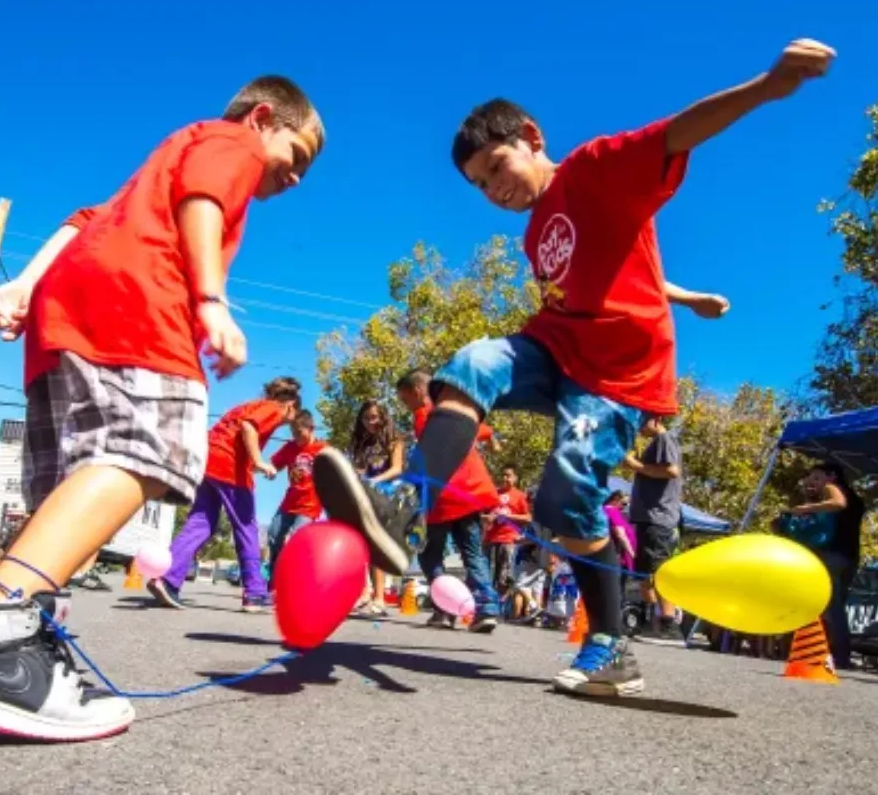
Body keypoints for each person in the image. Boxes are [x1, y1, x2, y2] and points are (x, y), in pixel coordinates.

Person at [312, 39, 835, 697]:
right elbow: (616, 266)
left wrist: (766, 85)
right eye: (480, 186)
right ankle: (403, 504)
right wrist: (688, 294)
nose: (494, 190)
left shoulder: (595, 169)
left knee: (564, 501)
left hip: (616, 377)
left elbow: (675, 134)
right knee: (471, 360)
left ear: (532, 137)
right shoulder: (535, 233)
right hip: (555, 351)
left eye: (497, 168)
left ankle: (612, 643)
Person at [0, 75, 324, 741]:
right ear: (266, 118)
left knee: (73, 484)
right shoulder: (233, 140)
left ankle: (14, 642)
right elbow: (205, 197)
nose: (296, 178)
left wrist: (25, 286)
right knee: (149, 455)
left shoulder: (156, 170)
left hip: (66, 317)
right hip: (138, 312)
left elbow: (81, 221)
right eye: (298, 156)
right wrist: (209, 297)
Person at [150, 377, 302, 611]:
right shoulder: (274, 408)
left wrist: (252, 461)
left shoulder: (250, 404)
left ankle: (166, 578)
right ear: (290, 404)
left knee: (201, 522)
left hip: (209, 461)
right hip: (230, 469)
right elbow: (249, 427)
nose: (288, 423)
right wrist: (258, 460)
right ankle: (254, 593)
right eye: (293, 416)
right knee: (246, 528)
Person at [396, 369, 501, 632]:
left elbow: (427, 455)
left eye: (405, 400)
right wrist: (494, 441)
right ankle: (486, 607)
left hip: (442, 497)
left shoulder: (423, 416)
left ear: (418, 392)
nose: (407, 407)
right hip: (470, 494)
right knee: (473, 553)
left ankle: (444, 609)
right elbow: (482, 429)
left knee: (429, 555)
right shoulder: (458, 411)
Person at [776, 462, 864, 670]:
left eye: (817, 477)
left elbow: (838, 503)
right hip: (848, 557)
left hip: (832, 555)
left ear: (831, 476)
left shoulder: (833, 489)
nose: (812, 482)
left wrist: (805, 509)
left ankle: (840, 657)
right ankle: (831, 653)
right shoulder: (857, 499)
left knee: (830, 609)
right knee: (835, 608)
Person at [626, 418, 683, 642]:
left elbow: (672, 470)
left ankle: (669, 625)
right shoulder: (653, 443)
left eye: (642, 420)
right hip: (645, 517)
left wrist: (636, 465)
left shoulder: (664, 439)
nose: (638, 425)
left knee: (659, 571)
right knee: (644, 573)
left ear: (656, 419)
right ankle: (651, 621)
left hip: (658, 517)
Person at [348, 400, 406, 616]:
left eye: (374, 417)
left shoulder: (395, 440)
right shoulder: (362, 444)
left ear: (383, 417)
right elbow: (361, 469)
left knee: (376, 546)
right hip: (366, 498)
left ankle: (380, 598)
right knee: (361, 545)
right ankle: (364, 593)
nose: (370, 422)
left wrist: (375, 481)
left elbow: (397, 469)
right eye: (365, 418)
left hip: (387, 497)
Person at [266, 409, 327, 579]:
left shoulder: (323, 448)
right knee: (273, 534)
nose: (296, 437)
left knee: (297, 539)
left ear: (311, 427)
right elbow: (274, 464)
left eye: (299, 433)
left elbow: (336, 470)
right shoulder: (290, 447)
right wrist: (270, 470)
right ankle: (274, 578)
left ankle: (297, 579)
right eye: (293, 433)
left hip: (310, 505)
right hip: (290, 501)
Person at [481, 465, 533, 596]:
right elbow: (480, 514)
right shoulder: (493, 494)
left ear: (515, 478)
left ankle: (502, 603)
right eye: (503, 475)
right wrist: (486, 518)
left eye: (508, 475)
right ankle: (489, 601)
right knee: (488, 573)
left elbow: (528, 518)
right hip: (491, 540)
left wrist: (508, 516)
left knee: (505, 576)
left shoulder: (520, 496)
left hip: (509, 540)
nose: (505, 478)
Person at [604, 491, 636, 608]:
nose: (624, 507)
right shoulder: (612, 511)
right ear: (616, 499)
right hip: (615, 556)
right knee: (615, 590)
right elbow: (620, 534)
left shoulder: (605, 511)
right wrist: (632, 553)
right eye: (624, 504)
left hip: (611, 556)